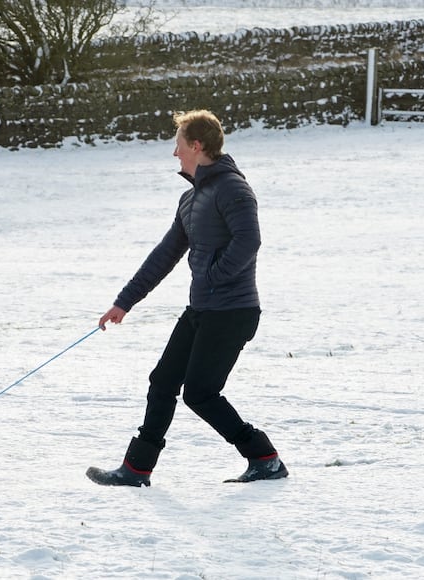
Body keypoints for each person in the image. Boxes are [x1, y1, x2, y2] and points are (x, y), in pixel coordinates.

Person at [86, 109, 288, 487]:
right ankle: (136, 468)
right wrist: (124, 302)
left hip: (233, 311)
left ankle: (264, 456)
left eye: (179, 145)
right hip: (202, 309)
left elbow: (250, 240)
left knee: (200, 393)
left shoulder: (233, 189)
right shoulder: (190, 199)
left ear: (197, 145)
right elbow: (164, 254)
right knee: (163, 382)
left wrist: (213, 276)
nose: (174, 153)